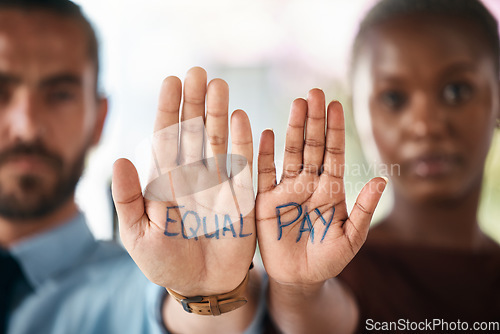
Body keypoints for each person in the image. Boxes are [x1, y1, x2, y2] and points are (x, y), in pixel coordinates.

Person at [0, 1, 263, 333]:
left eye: (59, 94)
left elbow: (173, 315)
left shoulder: (135, 287)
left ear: (99, 119)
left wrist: (206, 295)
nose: (26, 125)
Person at [257, 0, 500, 333]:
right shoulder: (335, 269)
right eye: (393, 98)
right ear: (359, 112)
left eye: (456, 91)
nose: (425, 125)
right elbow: (316, 316)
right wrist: (299, 292)